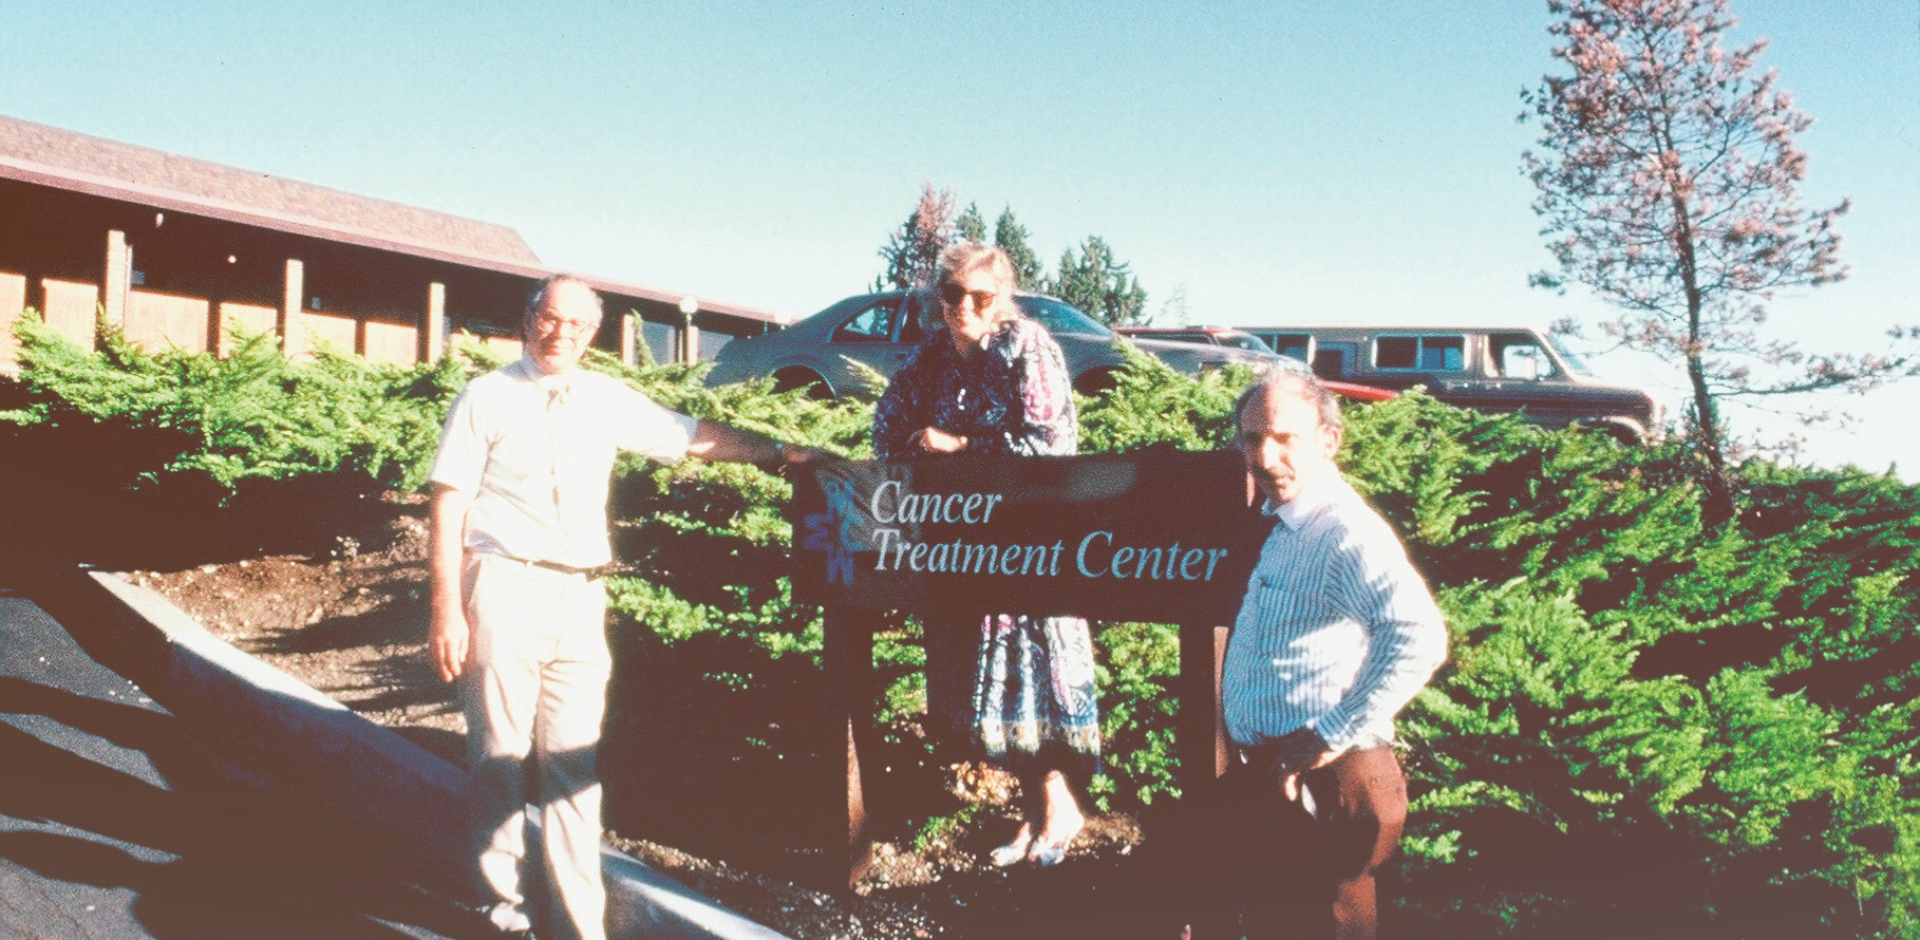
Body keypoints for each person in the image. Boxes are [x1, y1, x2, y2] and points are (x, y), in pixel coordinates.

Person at [426, 274, 824, 940]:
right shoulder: (486, 397)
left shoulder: (604, 399)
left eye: (578, 326)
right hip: (504, 585)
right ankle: (501, 917)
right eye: (551, 319)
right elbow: (447, 507)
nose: (562, 334)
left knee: (574, 766)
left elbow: (693, 436)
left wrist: (779, 452)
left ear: (593, 335)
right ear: (529, 320)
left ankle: (581, 927)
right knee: (498, 756)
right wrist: (447, 611)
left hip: (581, 595)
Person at [1176, 370, 1448, 939]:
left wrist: (1329, 734)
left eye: (1283, 438)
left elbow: (1418, 635)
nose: (1265, 456)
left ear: (1328, 442)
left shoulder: (1343, 534)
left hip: (1329, 783)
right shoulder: (1284, 524)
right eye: (1251, 440)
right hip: (1282, 780)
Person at [872, 242, 1098, 869]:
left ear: (1002, 299)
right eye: (952, 295)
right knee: (995, 700)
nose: (965, 307)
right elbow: (885, 427)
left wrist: (958, 444)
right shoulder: (930, 359)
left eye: (980, 296)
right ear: (937, 300)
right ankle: (1033, 818)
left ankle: (1061, 810)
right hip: (966, 553)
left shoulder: (1029, 347)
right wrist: (922, 441)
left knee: (1031, 686)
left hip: (1032, 552)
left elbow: (1049, 445)